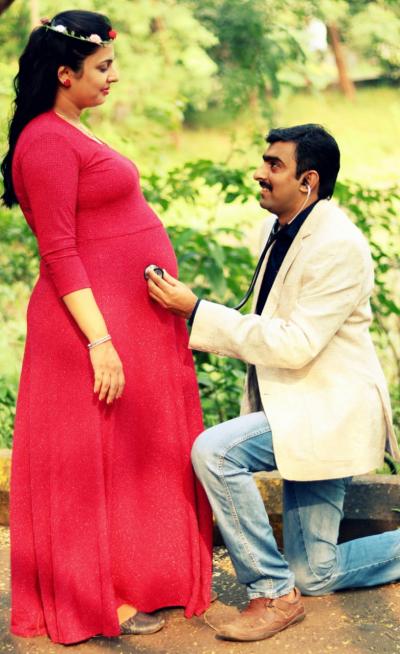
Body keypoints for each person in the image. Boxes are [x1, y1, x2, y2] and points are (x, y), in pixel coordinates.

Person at [1, 10, 212, 645]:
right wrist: (100, 342)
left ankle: (136, 579)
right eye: (103, 67)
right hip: (87, 329)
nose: (113, 77)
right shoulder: (44, 140)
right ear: (65, 74)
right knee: (87, 465)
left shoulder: (71, 128)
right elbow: (59, 252)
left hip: (126, 321)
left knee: (128, 458)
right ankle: (98, 597)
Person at [146, 124, 400, 643]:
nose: (259, 174)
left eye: (274, 165)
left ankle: (272, 592)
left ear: (309, 180)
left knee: (216, 452)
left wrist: (196, 310)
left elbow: (296, 343)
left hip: (327, 410)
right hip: (298, 407)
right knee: (316, 573)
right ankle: (291, 584)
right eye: (264, 161)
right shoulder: (283, 227)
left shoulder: (338, 245)